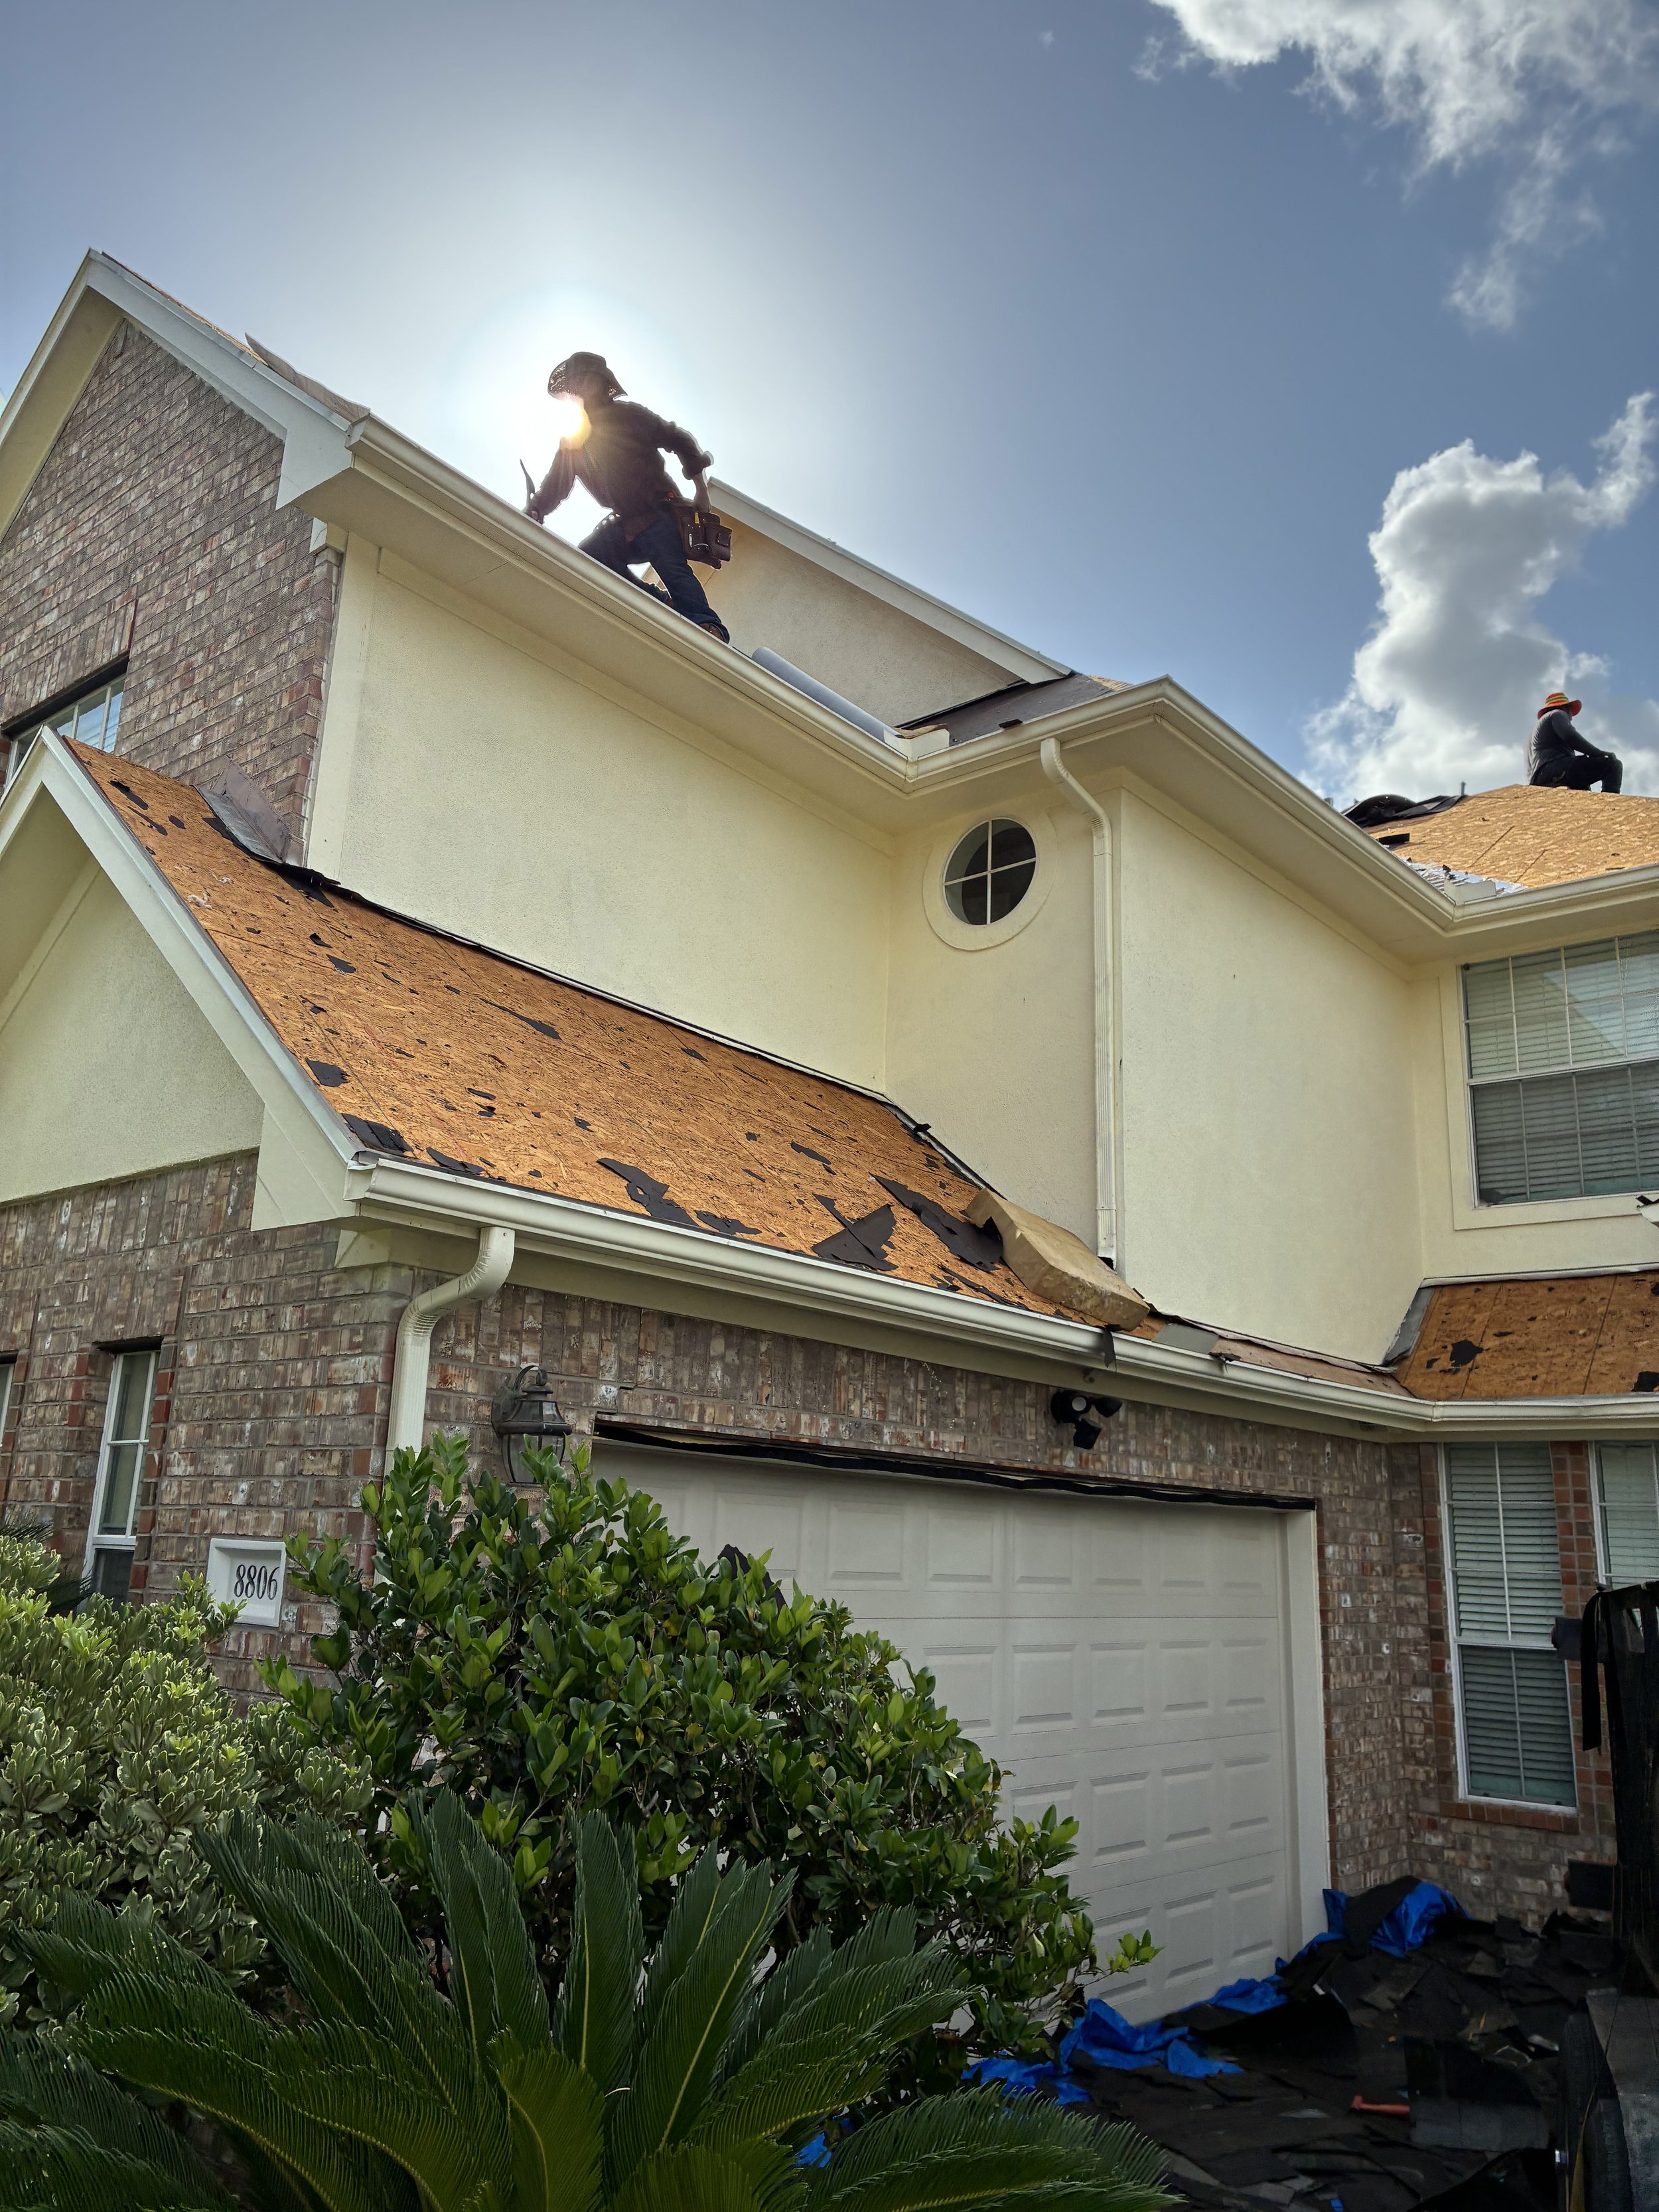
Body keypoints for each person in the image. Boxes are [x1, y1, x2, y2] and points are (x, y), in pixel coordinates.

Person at [525, 352, 730, 642]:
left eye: (588, 377)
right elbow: (557, 483)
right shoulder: (573, 439)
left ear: (602, 381)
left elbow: (678, 439)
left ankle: (709, 627)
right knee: (591, 557)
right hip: (625, 525)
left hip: (658, 514)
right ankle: (658, 602)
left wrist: (700, 489)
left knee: (672, 568)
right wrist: (536, 510)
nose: (584, 384)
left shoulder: (630, 416)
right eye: (578, 380)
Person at [1528, 692, 1623, 791]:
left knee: (1585, 790)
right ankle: (1609, 804)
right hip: (1555, 769)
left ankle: (1557, 785)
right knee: (1613, 765)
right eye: (1570, 711)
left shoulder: (1539, 728)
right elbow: (1570, 736)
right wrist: (1598, 753)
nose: (1571, 717)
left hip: (1541, 777)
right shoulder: (1557, 714)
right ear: (1565, 708)